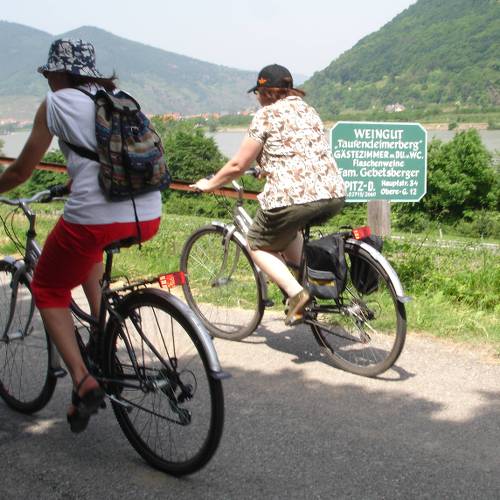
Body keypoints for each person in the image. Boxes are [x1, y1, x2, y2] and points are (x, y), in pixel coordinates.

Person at [0, 39, 162, 432]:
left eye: (48, 74)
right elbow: (113, 157)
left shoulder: (54, 103)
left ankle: (83, 380)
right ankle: (102, 333)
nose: (48, 80)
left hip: (96, 217)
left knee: (47, 288)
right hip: (148, 214)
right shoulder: (118, 98)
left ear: (58, 73)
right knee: (90, 250)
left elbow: (21, 171)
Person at [191, 64, 346, 325]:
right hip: (333, 193)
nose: (258, 98)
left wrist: (210, 183)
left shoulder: (266, 115)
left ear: (266, 92)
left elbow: (238, 165)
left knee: (257, 244)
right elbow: (296, 151)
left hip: (293, 198)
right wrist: (267, 168)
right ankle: (311, 281)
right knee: (289, 231)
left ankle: (298, 295)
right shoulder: (308, 110)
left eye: (258, 93)